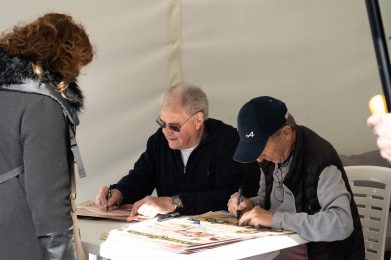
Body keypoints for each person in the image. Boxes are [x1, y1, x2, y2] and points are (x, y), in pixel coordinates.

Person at [0, 13, 94, 260]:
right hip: (22, 244)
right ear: (64, 60)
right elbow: (49, 201)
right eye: (77, 67)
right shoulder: (42, 105)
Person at [227, 96, 365, 260]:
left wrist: (275, 219)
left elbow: (341, 223)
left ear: (286, 133)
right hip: (279, 250)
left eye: (261, 148)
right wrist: (250, 205)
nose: (258, 159)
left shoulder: (320, 161)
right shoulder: (271, 159)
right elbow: (269, 202)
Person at [95, 83, 249, 217]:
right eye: (162, 123)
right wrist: (118, 192)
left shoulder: (228, 141)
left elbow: (226, 195)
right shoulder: (159, 141)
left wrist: (174, 202)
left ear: (198, 120)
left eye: (174, 126)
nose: (166, 132)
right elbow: (141, 177)